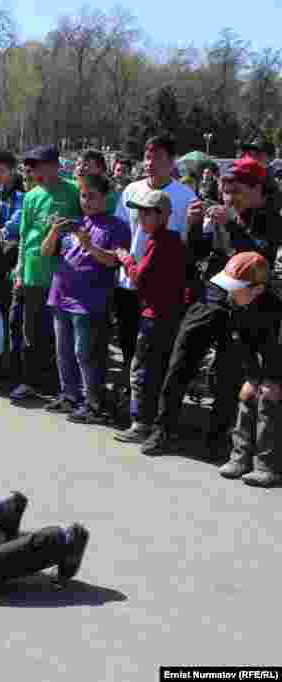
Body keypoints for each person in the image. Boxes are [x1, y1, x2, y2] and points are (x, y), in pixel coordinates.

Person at [142, 156, 281, 456]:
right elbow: (195, 253)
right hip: (209, 296)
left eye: (236, 192)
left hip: (244, 305)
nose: (228, 198)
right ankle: (163, 430)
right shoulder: (218, 212)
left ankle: (217, 441)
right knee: (179, 362)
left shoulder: (270, 219)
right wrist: (194, 226)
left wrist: (230, 223)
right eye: (225, 192)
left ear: (256, 191)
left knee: (228, 376)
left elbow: (260, 260)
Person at [112, 135, 196, 406]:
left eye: (157, 158)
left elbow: (187, 242)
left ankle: (150, 406)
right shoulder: (130, 191)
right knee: (128, 344)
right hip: (129, 283)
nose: (150, 163)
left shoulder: (185, 196)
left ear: (171, 162)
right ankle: (132, 399)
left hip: (161, 292)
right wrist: (124, 259)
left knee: (155, 351)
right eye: (147, 157)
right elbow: (121, 231)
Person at [41, 174, 131, 423]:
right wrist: (54, 231)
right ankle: (69, 395)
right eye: (83, 196)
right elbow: (46, 252)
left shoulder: (116, 226)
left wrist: (89, 245)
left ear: (105, 198)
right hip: (60, 296)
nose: (87, 201)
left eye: (92, 196)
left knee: (86, 354)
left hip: (89, 301)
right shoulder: (75, 222)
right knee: (64, 351)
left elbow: (114, 260)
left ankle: (94, 403)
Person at [110, 189, 188, 443]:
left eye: (146, 212)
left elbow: (139, 277)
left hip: (156, 316)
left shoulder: (161, 241)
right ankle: (152, 422)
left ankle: (141, 423)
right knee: (154, 370)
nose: (140, 217)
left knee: (142, 370)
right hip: (168, 315)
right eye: (139, 211)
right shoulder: (170, 240)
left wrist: (126, 260)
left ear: (162, 214)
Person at [12, 145, 82, 402]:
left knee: (59, 334)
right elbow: (23, 235)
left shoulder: (74, 190)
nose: (33, 170)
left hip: (62, 274)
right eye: (32, 165)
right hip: (33, 272)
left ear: (53, 165)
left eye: (38, 164)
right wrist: (20, 271)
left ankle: (57, 385)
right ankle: (29, 382)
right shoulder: (31, 195)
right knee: (31, 331)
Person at [210, 253, 282, 487]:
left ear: (258, 289)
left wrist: (271, 379)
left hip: (278, 362)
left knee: (268, 398)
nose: (230, 292)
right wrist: (252, 375)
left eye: (236, 288)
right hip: (263, 361)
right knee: (247, 394)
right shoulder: (237, 306)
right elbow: (243, 343)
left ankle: (268, 466)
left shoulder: (276, 309)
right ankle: (240, 458)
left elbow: (276, 348)